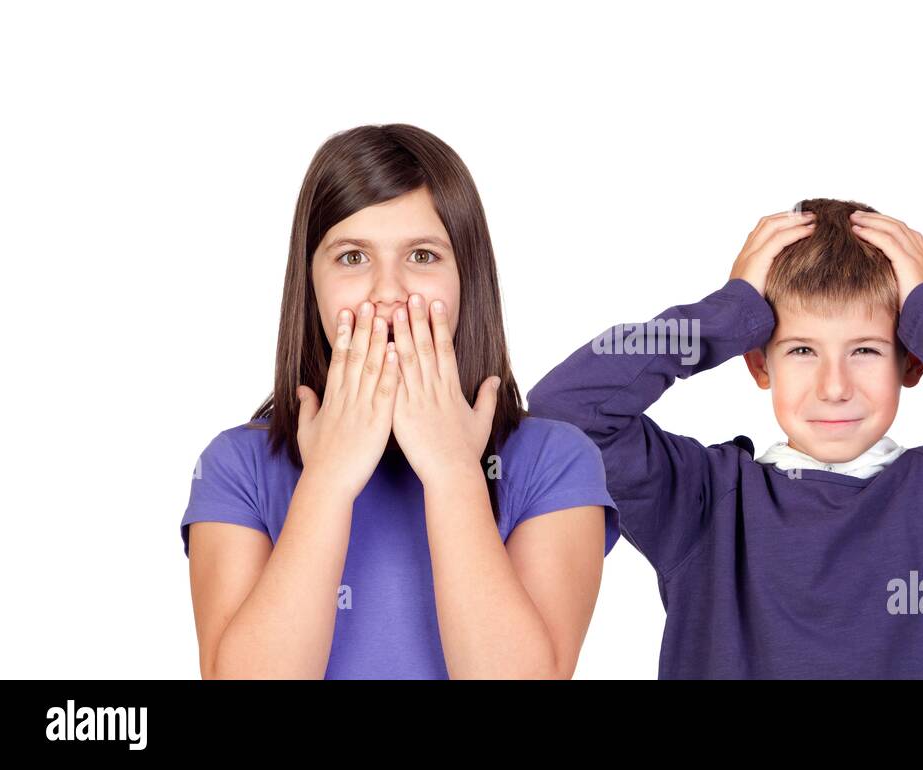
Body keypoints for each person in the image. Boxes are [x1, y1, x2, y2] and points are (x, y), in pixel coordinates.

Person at [527, 198, 923, 678]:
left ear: (913, 361)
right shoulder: (701, 504)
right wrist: (727, 313)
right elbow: (566, 409)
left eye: (866, 350)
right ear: (759, 365)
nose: (834, 386)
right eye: (801, 351)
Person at [181, 124, 619, 679]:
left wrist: (453, 473)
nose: (388, 291)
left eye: (422, 254)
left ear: (467, 277)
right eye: (351, 258)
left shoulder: (555, 459)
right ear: (309, 282)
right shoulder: (237, 465)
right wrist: (329, 479)